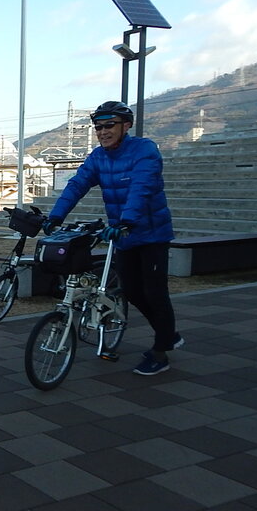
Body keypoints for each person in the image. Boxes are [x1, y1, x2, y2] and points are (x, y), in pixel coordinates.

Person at [44, 101, 182, 376]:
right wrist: (56, 216)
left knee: (155, 293)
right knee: (131, 291)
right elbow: (77, 184)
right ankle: (167, 333)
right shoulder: (98, 157)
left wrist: (126, 222)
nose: (103, 132)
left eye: (109, 125)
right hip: (124, 235)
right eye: (98, 127)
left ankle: (161, 351)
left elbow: (141, 188)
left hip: (151, 234)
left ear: (126, 125)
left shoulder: (145, 150)